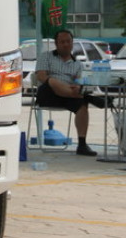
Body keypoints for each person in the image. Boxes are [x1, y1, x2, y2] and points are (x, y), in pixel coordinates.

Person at [34, 29, 108, 157]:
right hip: (48, 93)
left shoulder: (77, 64)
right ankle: (88, 98)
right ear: (56, 44)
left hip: (68, 96)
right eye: (62, 42)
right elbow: (41, 76)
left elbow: (79, 82)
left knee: (82, 106)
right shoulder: (45, 56)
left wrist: (76, 87)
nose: (66, 44)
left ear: (72, 43)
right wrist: (60, 85)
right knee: (53, 81)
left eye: (68, 41)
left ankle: (82, 144)